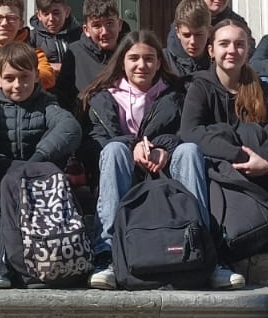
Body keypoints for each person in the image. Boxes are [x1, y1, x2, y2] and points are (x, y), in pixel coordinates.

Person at [81, 30, 236, 290]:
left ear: (159, 62)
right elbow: (92, 144)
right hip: (123, 174)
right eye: (134, 58)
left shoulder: (177, 94)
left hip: (166, 173)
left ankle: (205, 250)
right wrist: (132, 147)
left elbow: (188, 131)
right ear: (122, 61)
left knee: (189, 151)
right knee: (114, 150)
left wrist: (165, 148)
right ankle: (106, 255)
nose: (142, 65)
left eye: (149, 58)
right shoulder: (102, 97)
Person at [0, 41, 84, 289]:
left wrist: (34, 163)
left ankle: (19, 264)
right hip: (2, 173)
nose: (18, 84)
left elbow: (70, 128)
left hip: (37, 176)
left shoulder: (47, 103)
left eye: (24, 77)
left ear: (36, 76)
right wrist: (7, 167)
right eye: (9, 78)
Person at [179, 18, 268, 271]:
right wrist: (237, 153)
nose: (232, 50)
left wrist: (266, 163)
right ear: (211, 50)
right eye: (224, 44)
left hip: (257, 177)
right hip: (216, 175)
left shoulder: (264, 90)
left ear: (247, 50)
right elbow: (190, 132)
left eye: (239, 44)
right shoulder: (200, 87)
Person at [57, 0, 128, 110]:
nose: (104, 32)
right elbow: (64, 98)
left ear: (119, 24)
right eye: (97, 26)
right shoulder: (74, 53)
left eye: (110, 23)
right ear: (86, 30)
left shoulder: (131, 53)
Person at [28, 0, 82, 71]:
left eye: (56, 13)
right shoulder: (31, 38)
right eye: (46, 14)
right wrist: (50, 67)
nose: (51, 19)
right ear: (38, 15)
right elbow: (25, 65)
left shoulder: (81, 35)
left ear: (67, 12)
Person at [165, 0, 212, 78]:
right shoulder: (164, 63)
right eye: (186, 35)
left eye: (198, 35)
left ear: (209, 32)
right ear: (177, 32)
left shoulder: (220, 63)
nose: (193, 41)